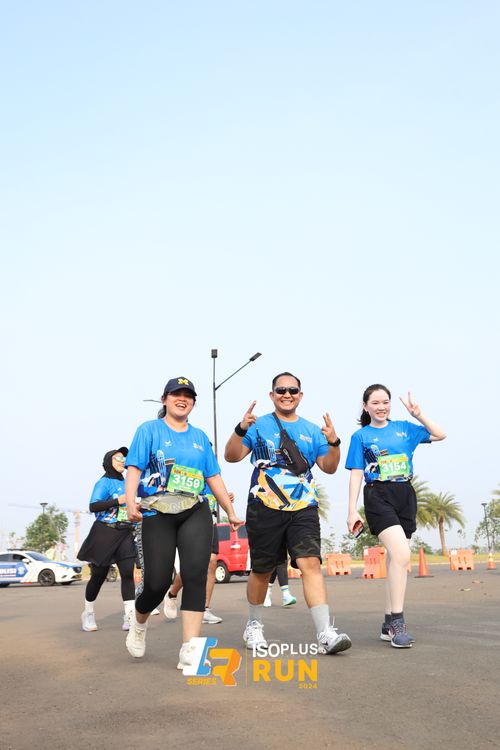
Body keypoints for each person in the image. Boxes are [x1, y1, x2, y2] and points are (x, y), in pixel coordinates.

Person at [224, 371, 351, 655]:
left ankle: (325, 633)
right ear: (272, 395)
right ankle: (254, 626)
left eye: (292, 390)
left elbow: (329, 467)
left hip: (303, 506)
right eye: (281, 390)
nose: (287, 395)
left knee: (310, 564)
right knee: (262, 570)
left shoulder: (312, 430)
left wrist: (334, 442)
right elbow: (231, 456)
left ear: (300, 396)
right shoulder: (258, 425)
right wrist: (241, 428)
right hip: (263, 506)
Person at [124, 376, 242, 668]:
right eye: (176, 394)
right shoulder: (149, 430)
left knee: (195, 575)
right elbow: (134, 467)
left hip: (194, 509)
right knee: (157, 582)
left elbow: (212, 476)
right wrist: (130, 502)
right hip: (157, 511)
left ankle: (190, 648)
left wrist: (229, 510)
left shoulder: (199, 437)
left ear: (193, 403)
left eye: (188, 395)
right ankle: (139, 622)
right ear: (164, 399)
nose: (182, 399)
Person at [345, 385, 446, 648]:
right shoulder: (361, 436)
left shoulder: (405, 428)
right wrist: (351, 510)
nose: (381, 407)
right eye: (375, 403)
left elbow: (440, 434)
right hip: (378, 495)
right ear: (365, 406)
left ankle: (388, 622)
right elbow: (356, 473)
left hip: (405, 494)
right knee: (402, 555)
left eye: (385, 402)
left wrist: (418, 415)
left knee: (395, 560)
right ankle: (398, 623)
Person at [77, 448, 136, 632]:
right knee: (98, 576)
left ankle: (129, 616)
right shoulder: (104, 483)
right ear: (109, 461)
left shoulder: (127, 482)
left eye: (124, 458)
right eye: (118, 458)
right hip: (105, 532)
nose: (122, 460)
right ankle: (88, 613)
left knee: (127, 574)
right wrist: (117, 501)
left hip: (125, 532)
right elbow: (93, 506)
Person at [163, 491, 235, 624]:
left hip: (210, 522)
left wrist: (225, 498)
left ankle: (205, 609)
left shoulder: (212, 481)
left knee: (212, 562)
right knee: (192, 566)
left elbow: (218, 495)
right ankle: (172, 594)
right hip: (191, 521)